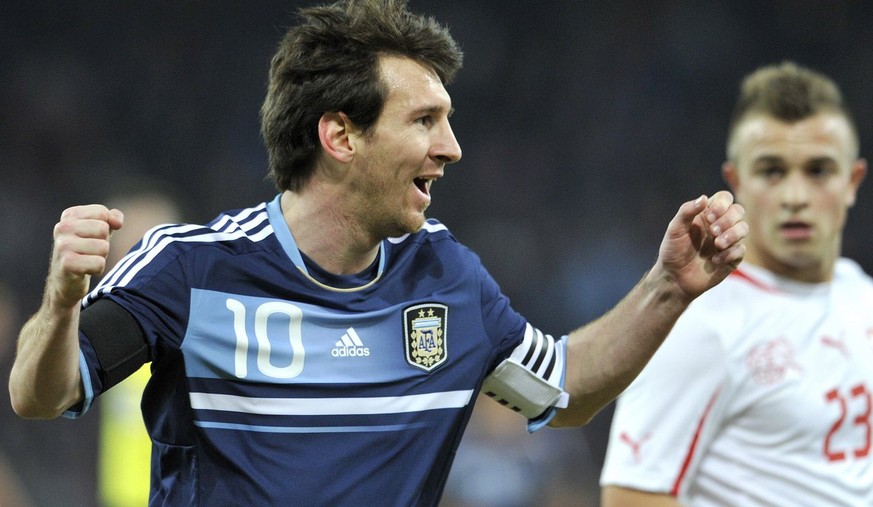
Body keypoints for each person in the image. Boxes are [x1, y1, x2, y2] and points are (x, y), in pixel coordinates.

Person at [8, 0, 747, 505]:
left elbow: (561, 392)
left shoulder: (448, 278)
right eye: (424, 120)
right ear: (340, 136)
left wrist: (667, 288)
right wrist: (62, 299)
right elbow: (39, 394)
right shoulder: (190, 270)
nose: (450, 148)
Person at [600, 61, 872, 506]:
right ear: (736, 180)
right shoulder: (701, 325)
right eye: (772, 171)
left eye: (818, 170)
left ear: (852, 181)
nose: (795, 196)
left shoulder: (861, 296)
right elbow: (630, 498)